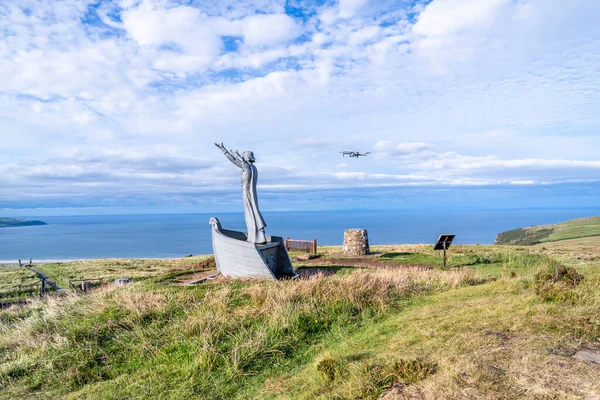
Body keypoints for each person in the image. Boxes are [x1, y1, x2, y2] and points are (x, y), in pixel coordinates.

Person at [215, 143, 267, 244]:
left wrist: (224, 150)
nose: (242, 157)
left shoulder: (246, 166)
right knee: (254, 212)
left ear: (247, 157)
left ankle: (254, 237)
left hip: (246, 194)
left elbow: (233, 160)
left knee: (249, 215)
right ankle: (259, 236)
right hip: (252, 194)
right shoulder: (254, 168)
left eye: (244, 156)